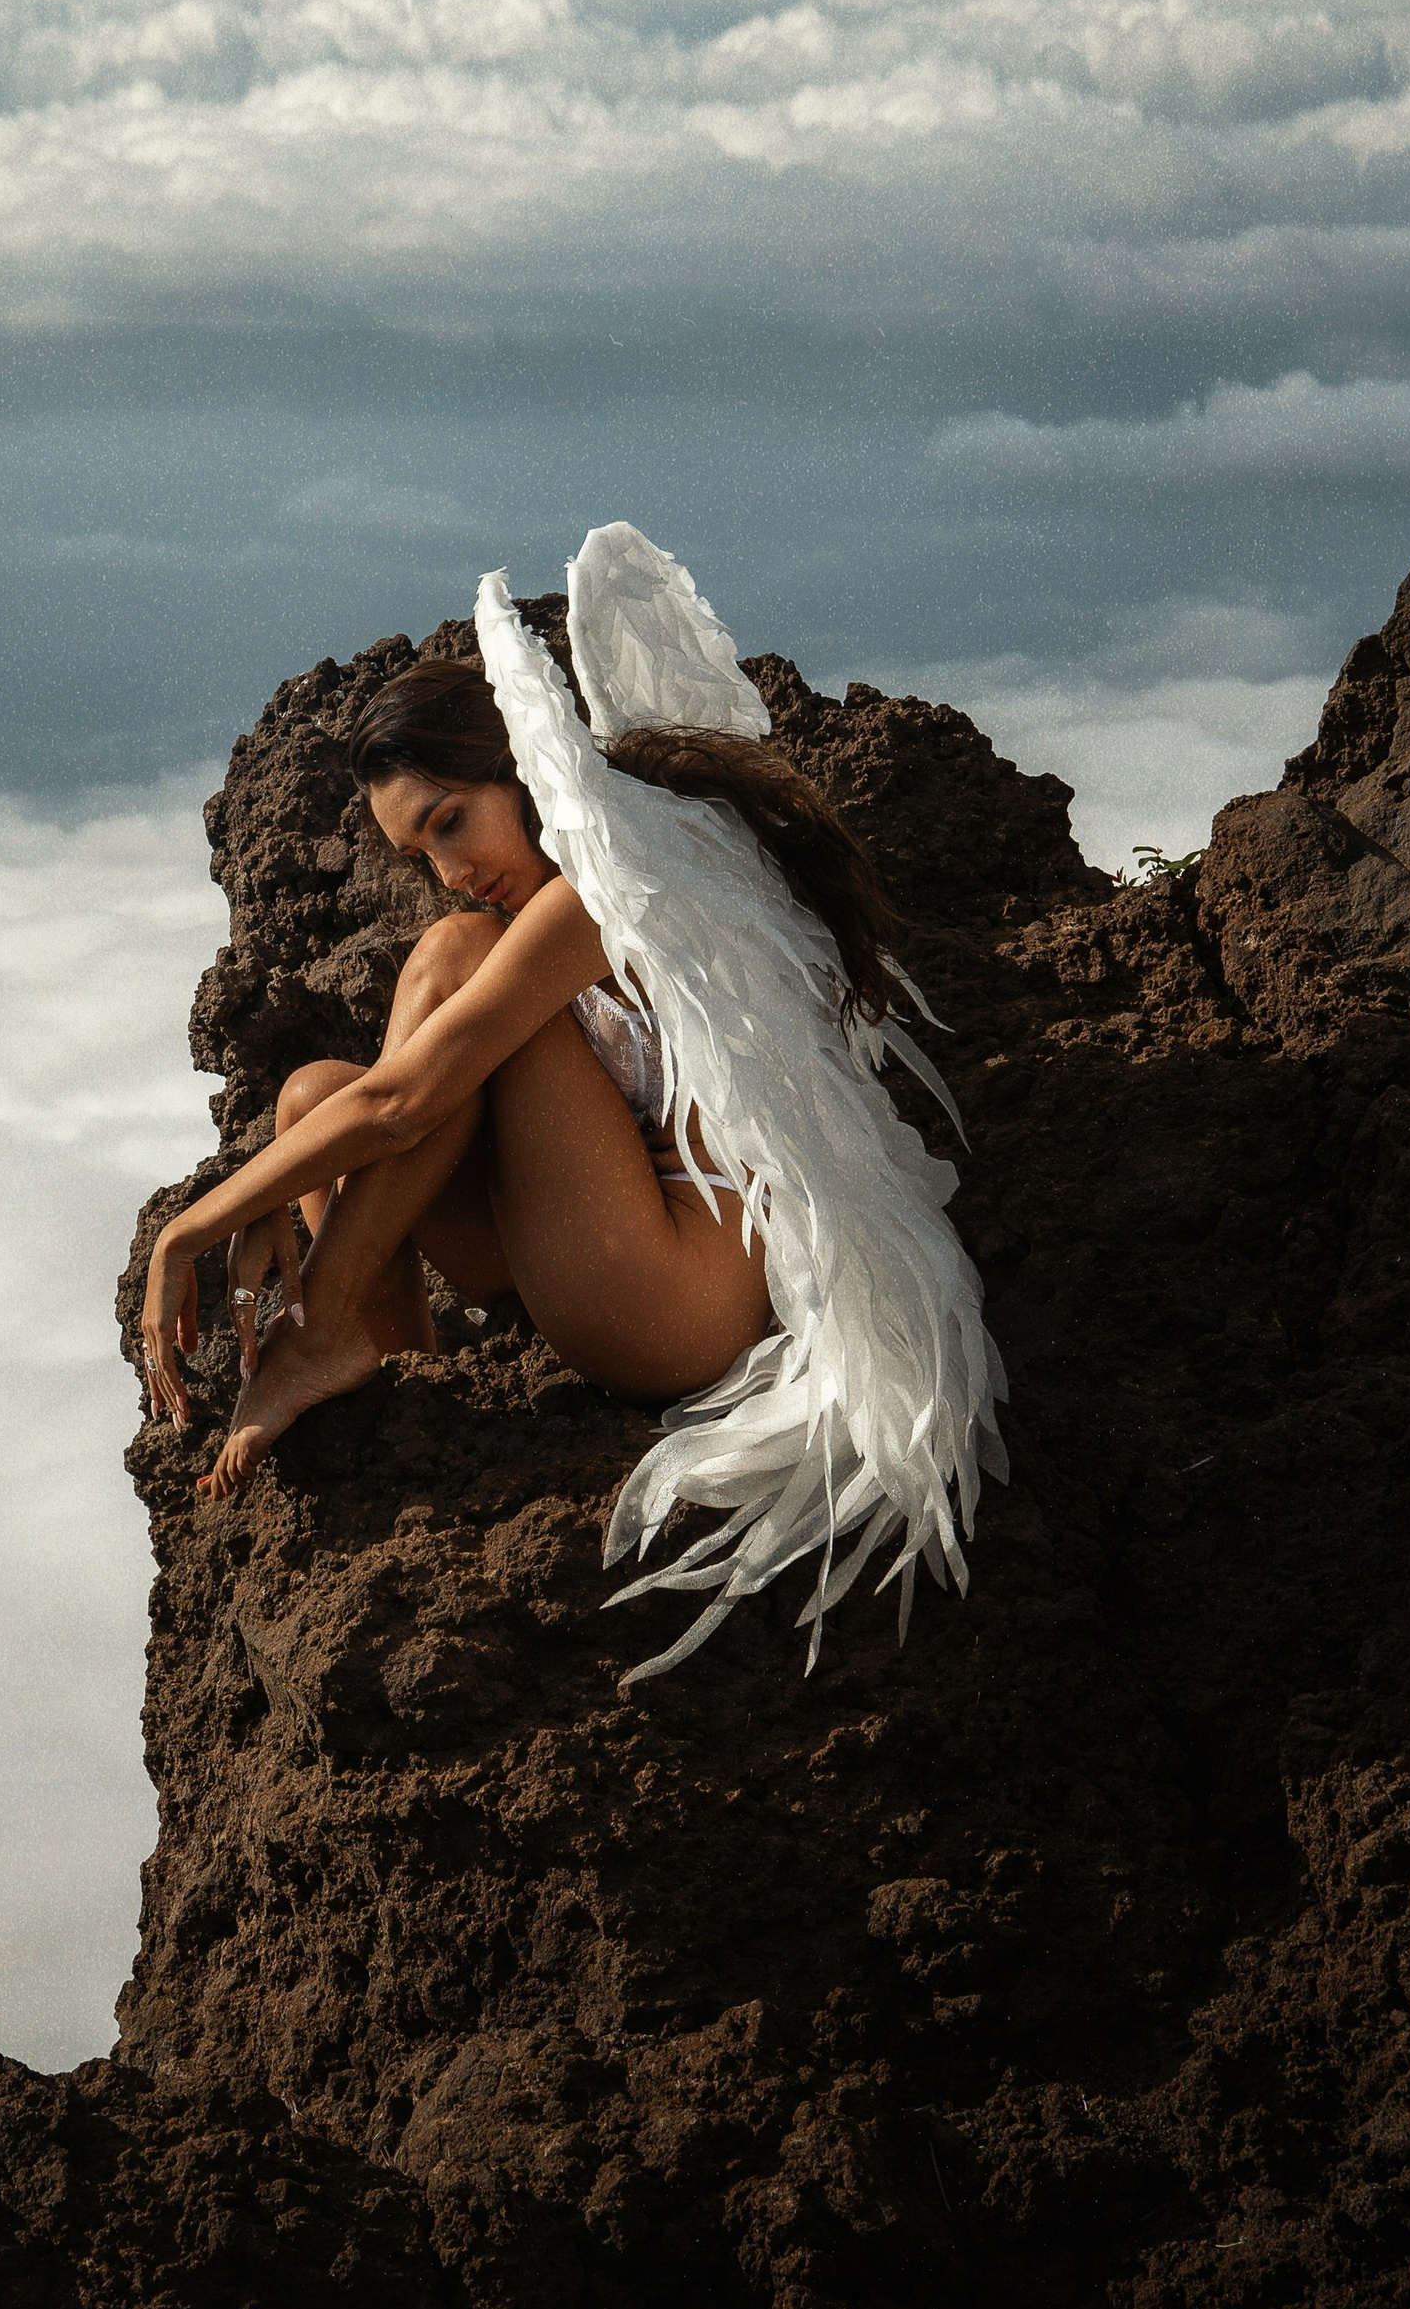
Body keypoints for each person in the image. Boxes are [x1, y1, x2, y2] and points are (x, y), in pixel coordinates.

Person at [137, 525, 1007, 1674]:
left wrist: (191, 1229)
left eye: (451, 818)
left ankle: (325, 1326)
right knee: (309, 1096)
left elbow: (407, 1102)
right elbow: (380, 1103)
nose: (447, 867)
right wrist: (278, 1174)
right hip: (595, 1248)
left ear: (523, 766)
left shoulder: (613, 877)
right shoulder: (568, 896)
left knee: (448, 969)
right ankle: (405, 1385)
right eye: (419, 848)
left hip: (676, 1296)